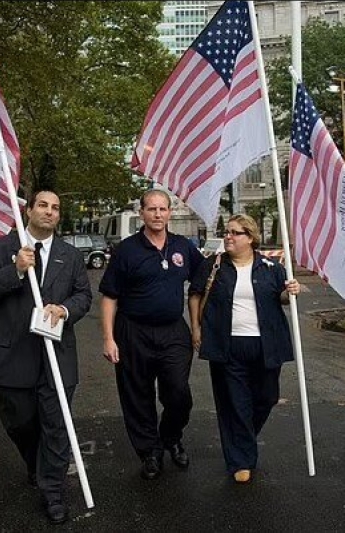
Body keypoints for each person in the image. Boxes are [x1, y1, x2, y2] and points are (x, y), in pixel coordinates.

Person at [0, 191, 92, 525]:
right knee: (20, 422)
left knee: (56, 426)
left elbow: (84, 295)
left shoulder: (70, 255)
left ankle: (53, 491)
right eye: (43, 205)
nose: (49, 212)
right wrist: (15, 270)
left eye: (55, 208)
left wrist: (64, 309)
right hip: (13, 356)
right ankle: (35, 462)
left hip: (57, 356)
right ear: (28, 209)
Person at [99, 189, 205, 481]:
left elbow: (205, 279)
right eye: (152, 209)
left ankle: (170, 437)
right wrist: (108, 338)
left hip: (173, 331)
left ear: (170, 212)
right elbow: (109, 297)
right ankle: (150, 452)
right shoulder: (127, 250)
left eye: (163, 209)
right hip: (133, 331)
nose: (158, 214)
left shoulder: (183, 246)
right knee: (137, 396)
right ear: (141, 213)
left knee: (179, 393)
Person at [188, 214, 300, 484]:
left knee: (267, 398)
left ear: (250, 238)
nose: (228, 237)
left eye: (236, 233)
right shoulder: (214, 265)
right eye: (227, 232)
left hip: (265, 344)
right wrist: (196, 328)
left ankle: (242, 439)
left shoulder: (270, 267)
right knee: (235, 404)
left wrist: (291, 290)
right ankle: (240, 459)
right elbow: (195, 294)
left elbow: (281, 296)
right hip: (227, 344)